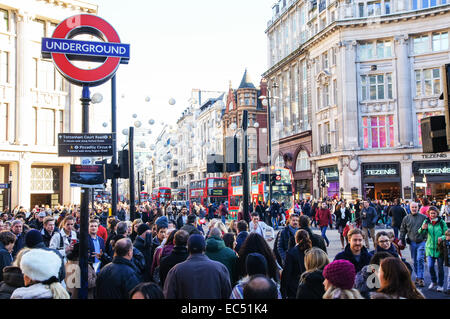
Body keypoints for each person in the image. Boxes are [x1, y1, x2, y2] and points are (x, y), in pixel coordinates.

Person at [163, 234, 232, 299]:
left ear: (187, 248)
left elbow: (169, 295)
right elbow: (227, 295)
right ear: (205, 247)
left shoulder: (176, 270)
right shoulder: (220, 268)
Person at [418, 206, 448, 292]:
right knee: (430, 266)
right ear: (429, 213)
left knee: (440, 268)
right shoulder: (426, 221)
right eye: (431, 213)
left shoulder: (441, 222)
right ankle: (434, 281)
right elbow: (420, 232)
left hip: (439, 248)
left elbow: (446, 234)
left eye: (434, 213)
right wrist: (422, 228)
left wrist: (442, 238)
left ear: (437, 213)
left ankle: (440, 285)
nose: (432, 215)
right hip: (430, 248)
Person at [398, 201, 427, 287]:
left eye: (415, 207)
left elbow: (428, 229)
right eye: (412, 207)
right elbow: (403, 230)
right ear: (409, 208)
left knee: (420, 259)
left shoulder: (423, 217)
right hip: (412, 242)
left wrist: (426, 239)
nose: (414, 209)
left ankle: (421, 278)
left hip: (422, 241)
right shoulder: (406, 218)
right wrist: (401, 240)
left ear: (418, 208)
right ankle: (418, 277)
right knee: (414, 261)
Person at [280, 229, 311, 299]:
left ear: (296, 239)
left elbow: (286, 273)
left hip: (295, 287)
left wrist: (283, 290)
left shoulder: (291, 253)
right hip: (309, 285)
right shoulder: (312, 251)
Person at [440, 229, 450, 294]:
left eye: (448, 236)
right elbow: (442, 250)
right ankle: (449, 288)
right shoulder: (445, 242)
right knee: (449, 275)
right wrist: (439, 244)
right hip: (449, 261)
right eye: (446, 236)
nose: (447, 237)